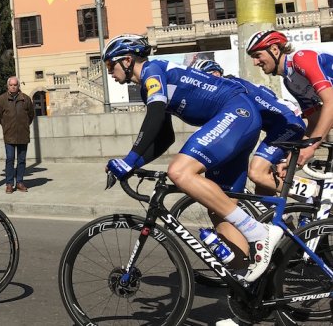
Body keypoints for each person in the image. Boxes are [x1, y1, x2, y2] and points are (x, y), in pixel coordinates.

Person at [102, 34, 281, 283]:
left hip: (235, 113)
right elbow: (165, 137)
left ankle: (259, 232)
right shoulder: (151, 83)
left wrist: (129, 159)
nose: (110, 72)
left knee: (180, 172)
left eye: (110, 65)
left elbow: (153, 117)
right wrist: (134, 165)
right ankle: (247, 285)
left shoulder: (152, 72)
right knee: (219, 207)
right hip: (237, 118)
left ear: (128, 60)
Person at [189, 58, 306, 195]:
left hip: (288, 124)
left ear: (215, 75)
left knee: (257, 173)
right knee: (263, 189)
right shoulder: (226, 89)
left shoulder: (231, 87)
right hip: (277, 126)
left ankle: (317, 195)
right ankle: (276, 216)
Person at [245, 30, 333, 166]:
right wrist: (293, 157)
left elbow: (330, 102)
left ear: (274, 49)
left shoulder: (301, 59)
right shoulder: (289, 81)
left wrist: (312, 146)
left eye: (257, 55)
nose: (255, 63)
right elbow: (314, 119)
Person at [0, 77, 35, 194]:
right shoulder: (2, 99)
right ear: (8, 86)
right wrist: (6, 126)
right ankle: (9, 184)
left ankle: (20, 182)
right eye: (11, 85)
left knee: (21, 160)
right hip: (9, 135)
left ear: (18, 86)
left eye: (15, 85)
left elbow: (31, 115)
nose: (13, 87)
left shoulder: (26, 99)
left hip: (23, 134)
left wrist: (24, 125)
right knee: (10, 159)